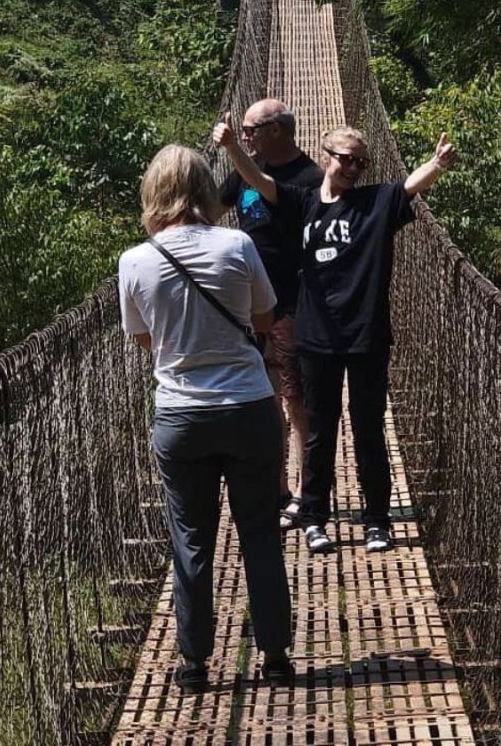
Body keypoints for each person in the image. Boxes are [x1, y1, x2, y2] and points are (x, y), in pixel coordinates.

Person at [213, 119, 456, 555]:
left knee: (367, 430)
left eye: (360, 162)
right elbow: (262, 182)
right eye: (346, 159)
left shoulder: (375, 202)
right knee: (321, 432)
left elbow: (408, 188)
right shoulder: (303, 202)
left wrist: (436, 165)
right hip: (315, 336)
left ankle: (377, 520)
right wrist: (234, 148)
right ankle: (315, 519)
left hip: (365, 335)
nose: (353, 168)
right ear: (326, 157)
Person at [118, 144, 293, 690]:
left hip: (181, 415)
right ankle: (276, 658)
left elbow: (145, 339)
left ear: (153, 193)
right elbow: (264, 316)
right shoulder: (237, 243)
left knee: (190, 540)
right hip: (247, 405)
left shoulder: (135, 260)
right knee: (259, 533)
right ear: (203, 190)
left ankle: (193, 664)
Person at [219, 100, 323, 530]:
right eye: (241, 132)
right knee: (266, 398)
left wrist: (233, 151)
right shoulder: (248, 166)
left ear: (277, 130)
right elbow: (210, 208)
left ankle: (306, 492)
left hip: (294, 302)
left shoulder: (310, 178)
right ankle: (276, 487)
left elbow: (267, 190)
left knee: (297, 399)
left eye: (250, 130)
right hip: (247, 306)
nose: (245, 137)